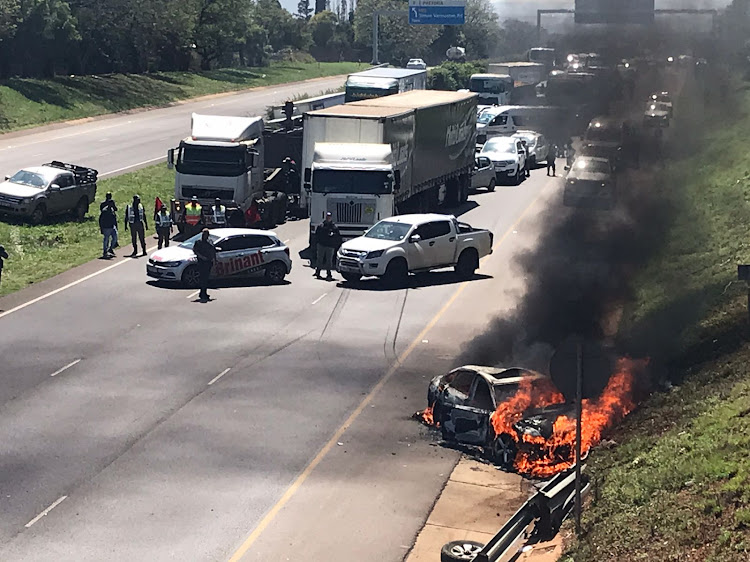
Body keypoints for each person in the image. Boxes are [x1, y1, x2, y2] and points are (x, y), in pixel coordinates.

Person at [314, 212, 341, 281]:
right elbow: (317, 235)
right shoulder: (321, 226)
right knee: (320, 259)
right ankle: (318, 272)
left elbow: (337, 236)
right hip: (321, 245)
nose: (328, 218)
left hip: (330, 246)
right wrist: (318, 243)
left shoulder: (334, 227)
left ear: (331, 218)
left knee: (329, 261)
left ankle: (328, 274)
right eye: (327, 216)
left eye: (329, 216)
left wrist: (333, 238)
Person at [193, 229, 216, 301]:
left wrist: (214, 259)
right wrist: (202, 257)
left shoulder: (210, 242)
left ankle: (203, 292)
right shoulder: (199, 242)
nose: (205, 236)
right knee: (202, 278)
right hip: (201, 262)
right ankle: (203, 293)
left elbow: (213, 250)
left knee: (206, 278)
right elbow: (195, 250)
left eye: (206, 234)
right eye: (204, 234)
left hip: (208, 262)